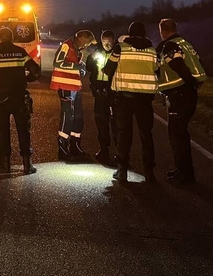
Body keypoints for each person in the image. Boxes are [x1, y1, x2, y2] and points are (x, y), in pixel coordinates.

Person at [0, 28, 42, 174]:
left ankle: (5, 164)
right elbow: (36, 71)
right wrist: (24, 79)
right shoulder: (20, 52)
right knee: (23, 130)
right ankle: (27, 164)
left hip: (0, 99)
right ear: (12, 38)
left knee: (3, 130)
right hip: (18, 97)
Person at [103, 21, 159, 183]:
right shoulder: (152, 51)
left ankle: (122, 172)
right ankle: (149, 173)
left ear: (129, 33)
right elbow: (158, 70)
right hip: (145, 99)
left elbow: (108, 69)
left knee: (124, 134)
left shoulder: (121, 48)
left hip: (124, 98)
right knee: (146, 135)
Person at [157, 18, 207, 185]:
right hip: (187, 94)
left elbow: (178, 65)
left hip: (180, 95)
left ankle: (185, 175)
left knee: (177, 136)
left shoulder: (170, 46)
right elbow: (197, 64)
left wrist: (188, 83)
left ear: (162, 31)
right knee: (180, 135)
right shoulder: (185, 43)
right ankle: (183, 170)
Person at [51, 30, 96, 161]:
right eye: (87, 43)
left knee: (78, 118)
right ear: (81, 38)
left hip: (75, 88)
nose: (86, 46)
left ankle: (75, 146)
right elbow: (57, 62)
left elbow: (72, 66)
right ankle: (62, 147)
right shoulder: (66, 46)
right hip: (65, 87)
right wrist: (76, 66)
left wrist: (80, 67)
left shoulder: (76, 49)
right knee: (67, 117)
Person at [85, 30, 116, 167]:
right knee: (101, 122)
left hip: (113, 91)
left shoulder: (117, 53)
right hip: (99, 91)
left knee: (116, 123)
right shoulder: (96, 52)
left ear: (113, 41)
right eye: (104, 42)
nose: (107, 44)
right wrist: (92, 58)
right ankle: (104, 150)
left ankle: (120, 152)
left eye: (109, 42)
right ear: (101, 41)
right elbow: (89, 68)